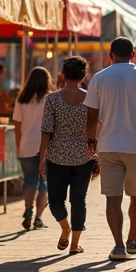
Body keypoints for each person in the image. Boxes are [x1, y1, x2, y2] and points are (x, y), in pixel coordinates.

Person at [83, 37, 136, 261]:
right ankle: (133, 238)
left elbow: (91, 115)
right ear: (134, 54)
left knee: (113, 197)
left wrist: (91, 140)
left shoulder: (99, 78)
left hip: (108, 146)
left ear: (110, 55)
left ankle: (118, 245)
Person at [40, 57, 96, 255]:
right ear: (84, 75)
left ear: (63, 75)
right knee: (79, 200)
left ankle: (66, 229)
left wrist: (41, 158)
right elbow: (97, 129)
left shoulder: (52, 99)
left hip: (57, 156)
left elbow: (46, 130)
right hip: (85, 156)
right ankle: (73, 241)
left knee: (56, 201)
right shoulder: (91, 99)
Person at [13, 67, 52, 231]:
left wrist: (18, 145)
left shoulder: (21, 99)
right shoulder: (50, 99)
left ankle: (28, 210)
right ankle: (38, 218)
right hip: (45, 145)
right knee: (44, 182)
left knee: (30, 180)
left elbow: (17, 125)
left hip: (26, 144)